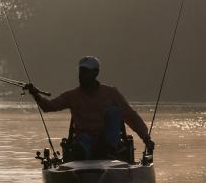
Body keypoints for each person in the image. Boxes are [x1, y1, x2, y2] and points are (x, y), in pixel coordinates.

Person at [24, 56, 154, 161]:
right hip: (85, 140)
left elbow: (131, 117)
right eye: (81, 71)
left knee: (114, 111)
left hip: (108, 140)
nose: (82, 75)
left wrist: (146, 139)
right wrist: (35, 94)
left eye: (86, 72)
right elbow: (48, 107)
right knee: (81, 145)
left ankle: (108, 151)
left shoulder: (111, 93)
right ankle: (84, 157)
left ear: (96, 73)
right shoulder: (72, 95)